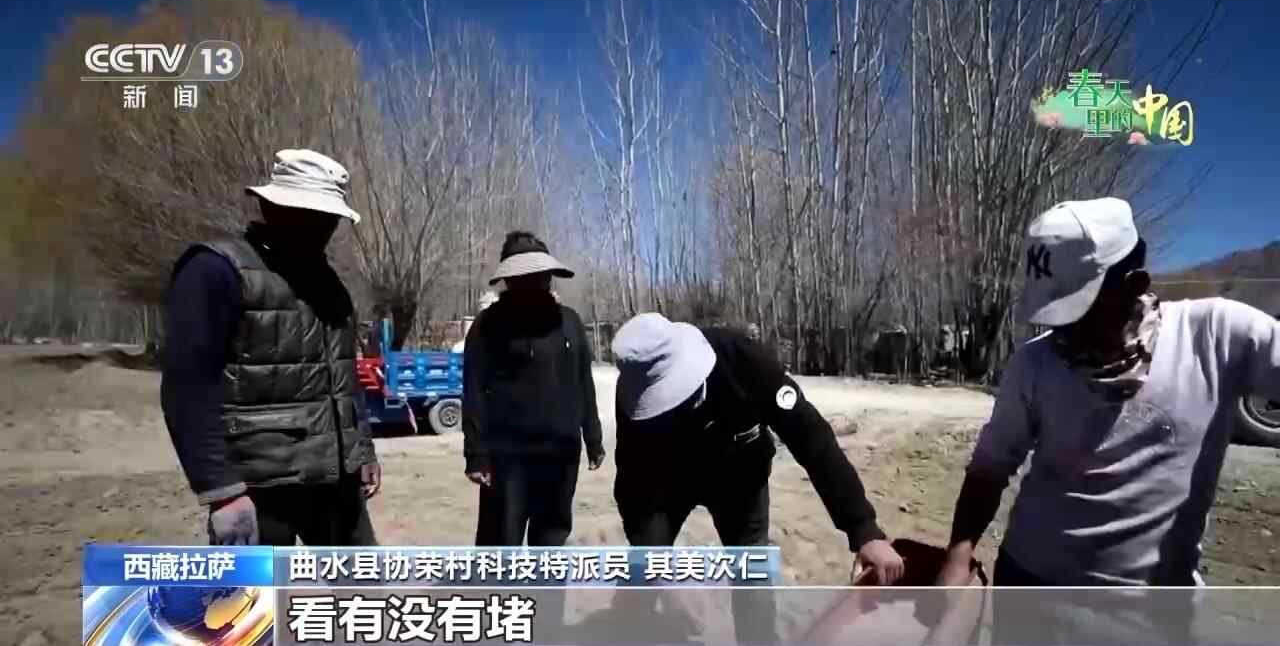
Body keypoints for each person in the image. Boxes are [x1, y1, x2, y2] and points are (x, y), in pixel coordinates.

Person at [937, 197, 1280, 642]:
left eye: (1076, 311)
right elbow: (989, 467)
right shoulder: (1035, 363)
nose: (1063, 331)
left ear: (1133, 284)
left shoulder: (1217, 335)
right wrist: (957, 558)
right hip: (1029, 584)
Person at [611, 313, 905, 643]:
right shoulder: (633, 397)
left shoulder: (743, 359)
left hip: (741, 477)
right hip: (669, 484)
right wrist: (663, 579)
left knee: (752, 572)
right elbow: (634, 495)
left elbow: (811, 437)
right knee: (642, 571)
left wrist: (863, 529)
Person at [161, 149, 380, 547]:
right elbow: (188, 386)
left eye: (328, 218)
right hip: (257, 487)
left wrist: (362, 449)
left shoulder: (329, 283)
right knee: (254, 590)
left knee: (361, 584)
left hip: (335, 483)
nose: (321, 227)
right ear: (270, 207)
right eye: (308, 214)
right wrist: (221, 490)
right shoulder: (216, 270)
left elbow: (345, 379)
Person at [461, 231, 605, 547]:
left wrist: (593, 438)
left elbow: (583, 382)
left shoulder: (569, 322)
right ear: (509, 281)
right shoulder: (488, 325)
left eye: (539, 276)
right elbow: (474, 391)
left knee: (551, 541)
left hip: (560, 454)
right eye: (523, 278)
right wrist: (476, 454)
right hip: (507, 457)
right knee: (500, 543)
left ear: (548, 276)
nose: (533, 283)